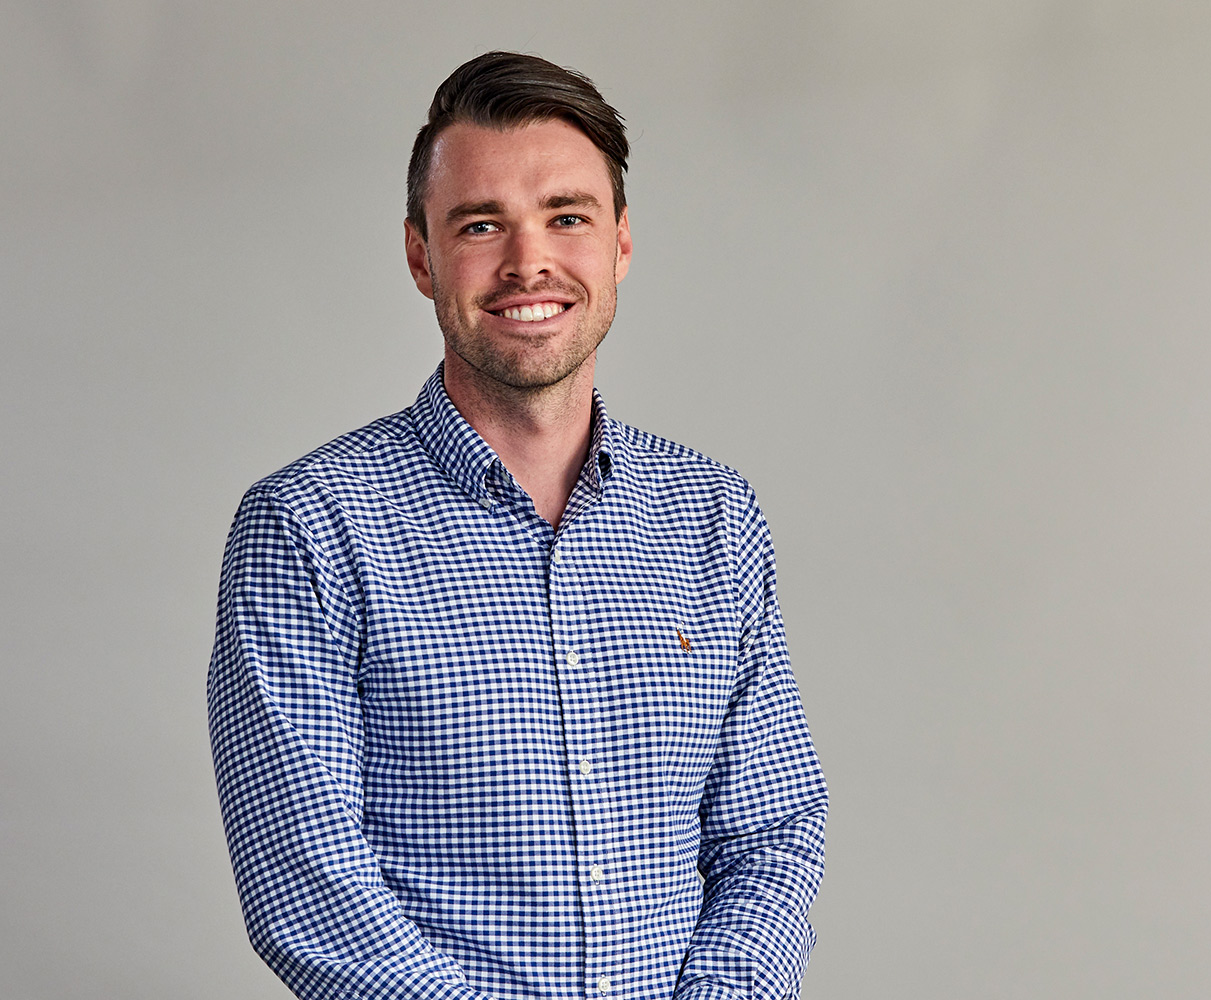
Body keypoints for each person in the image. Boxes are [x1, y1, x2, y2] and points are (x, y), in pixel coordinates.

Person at [208, 51, 828, 1000]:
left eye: (567, 218)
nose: (527, 261)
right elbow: (307, 881)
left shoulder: (713, 515)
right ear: (421, 256)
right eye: (481, 224)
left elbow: (771, 831)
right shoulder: (308, 526)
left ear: (620, 243)